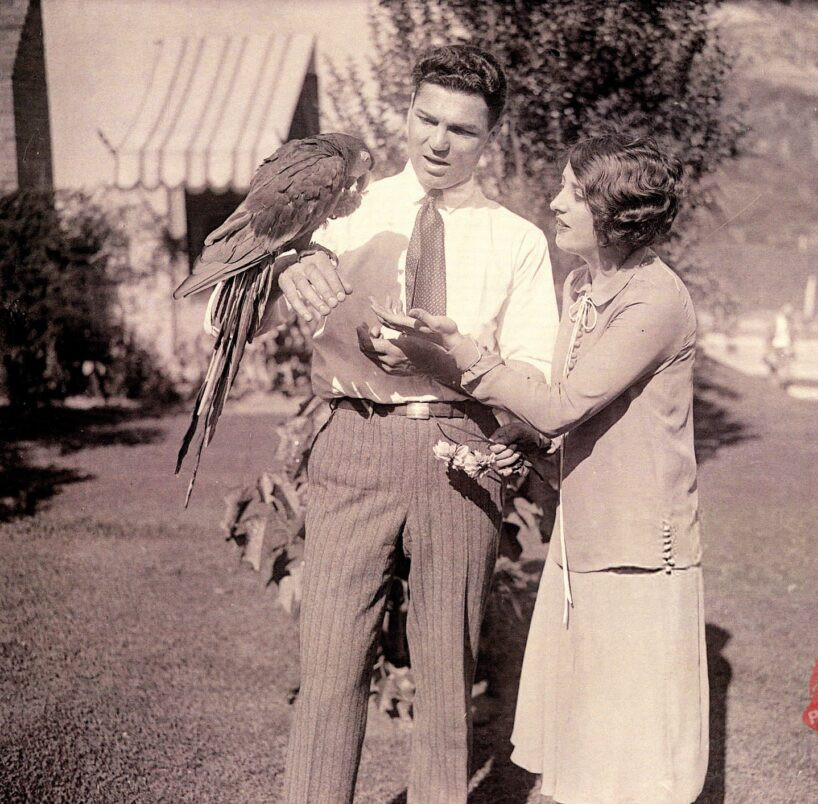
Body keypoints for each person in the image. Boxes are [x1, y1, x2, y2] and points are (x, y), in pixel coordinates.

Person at [257, 45, 559, 803]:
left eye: (461, 130)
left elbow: (536, 380)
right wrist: (282, 268)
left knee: (447, 674)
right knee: (329, 666)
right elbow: (228, 322)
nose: (437, 142)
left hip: (460, 451)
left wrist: (457, 355)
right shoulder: (341, 209)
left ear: (489, 138)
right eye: (426, 118)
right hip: (350, 439)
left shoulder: (516, 240)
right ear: (407, 112)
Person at [375, 133, 709, 803]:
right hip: (585, 540)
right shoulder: (585, 288)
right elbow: (570, 414)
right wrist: (522, 435)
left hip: (637, 551)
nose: (555, 203)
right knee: (587, 746)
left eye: (574, 193)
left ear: (614, 214)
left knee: (632, 756)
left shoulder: (654, 301)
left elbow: (561, 404)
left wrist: (464, 353)